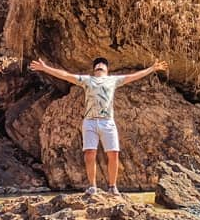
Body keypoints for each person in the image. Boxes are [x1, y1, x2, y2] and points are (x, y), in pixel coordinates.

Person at [29, 56, 168, 195]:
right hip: (90, 121)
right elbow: (66, 75)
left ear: (107, 70)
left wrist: (152, 68)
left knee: (113, 154)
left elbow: (133, 76)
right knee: (90, 153)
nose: (100, 65)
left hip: (107, 121)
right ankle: (92, 186)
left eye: (103, 64)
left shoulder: (113, 81)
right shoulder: (87, 80)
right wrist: (45, 68)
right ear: (94, 70)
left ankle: (113, 187)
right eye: (97, 64)